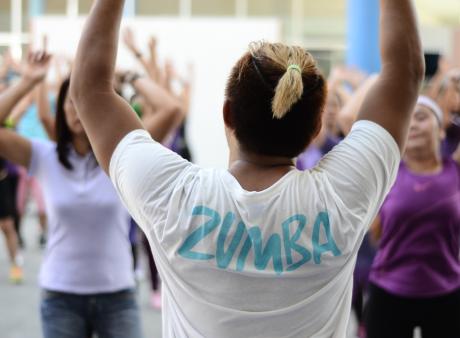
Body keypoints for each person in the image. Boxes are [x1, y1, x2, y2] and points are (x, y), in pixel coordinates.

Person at [70, 0, 424, 337]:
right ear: (316, 129)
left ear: (227, 114)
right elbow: (405, 73)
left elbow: (89, 89)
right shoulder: (340, 196)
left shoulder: (172, 196)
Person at [0, 50, 182, 338]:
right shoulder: (44, 157)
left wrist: (131, 77)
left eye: (83, 100)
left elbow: (172, 110)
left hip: (118, 296)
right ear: (61, 110)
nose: (76, 108)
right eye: (69, 102)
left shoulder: (124, 157)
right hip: (60, 298)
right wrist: (28, 81)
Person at [365, 96, 460, 338]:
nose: (413, 125)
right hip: (388, 293)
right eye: (407, 120)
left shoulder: (455, 171)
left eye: (421, 117)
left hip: (446, 293)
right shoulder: (385, 174)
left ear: (441, 131)